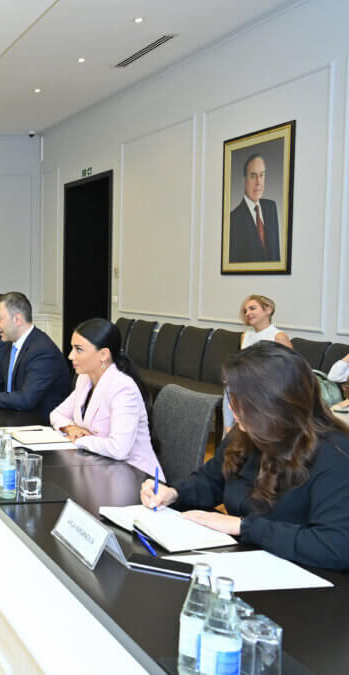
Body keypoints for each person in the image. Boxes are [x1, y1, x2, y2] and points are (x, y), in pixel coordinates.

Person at [141, 343, 349, 571]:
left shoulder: (336, 453)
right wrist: (174, 493)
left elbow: (335, 546)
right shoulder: (247, 433)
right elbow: (212, 481)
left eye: (241, 400)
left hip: (306, 576)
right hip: (249, 562)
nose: (231, 408)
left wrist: (244, 527)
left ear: (271, 404)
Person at [50, 319, 163, 478]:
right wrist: (71, 428)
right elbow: (56, 414)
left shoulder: (123, 388)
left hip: (136, 476)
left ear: (103, 354)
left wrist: (80, 440)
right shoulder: (85, 378)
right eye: (72, 348)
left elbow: (119, 449)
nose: (70, 356)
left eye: (79, 349)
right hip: (100, 468)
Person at [222, 294, 292, 431]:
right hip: (246, 384)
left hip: (268, 387)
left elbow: (291, 369)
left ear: (268, 310)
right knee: (230, 384)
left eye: (252, 308)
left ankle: (235, 432)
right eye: (245, 311)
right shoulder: (246, 336)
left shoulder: (278, 336)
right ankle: (229, 432)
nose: (248, 313)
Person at [229, 153, 281, 263]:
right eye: (253, 176)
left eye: (261, 175)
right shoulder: (233, 220)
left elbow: (276, 255)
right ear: (244, 180)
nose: (258, 182)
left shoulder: (271, 208)